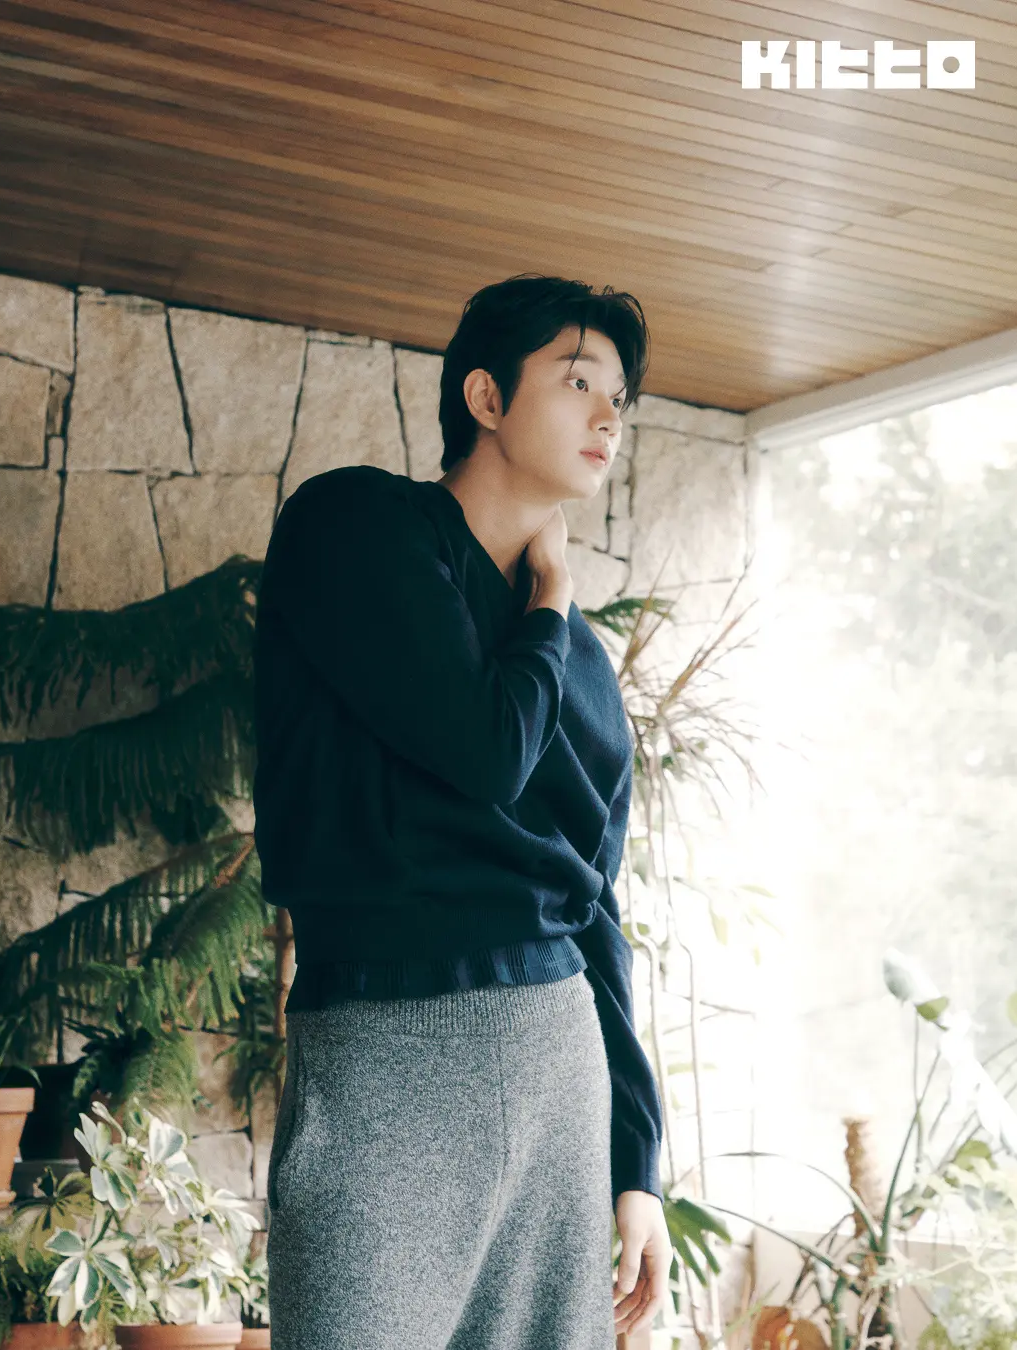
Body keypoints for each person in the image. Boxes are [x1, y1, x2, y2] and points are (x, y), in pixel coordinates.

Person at [253, 273, 672, 1349]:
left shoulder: (582, 670)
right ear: (485, 397)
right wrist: (550, 599)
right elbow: (485, 751)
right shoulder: (356, 526)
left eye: (619, 396)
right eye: (577, 381)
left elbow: (596, 910)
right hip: (382, 1051)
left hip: (557, 1059)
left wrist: (637, 1166)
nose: (608, 414)